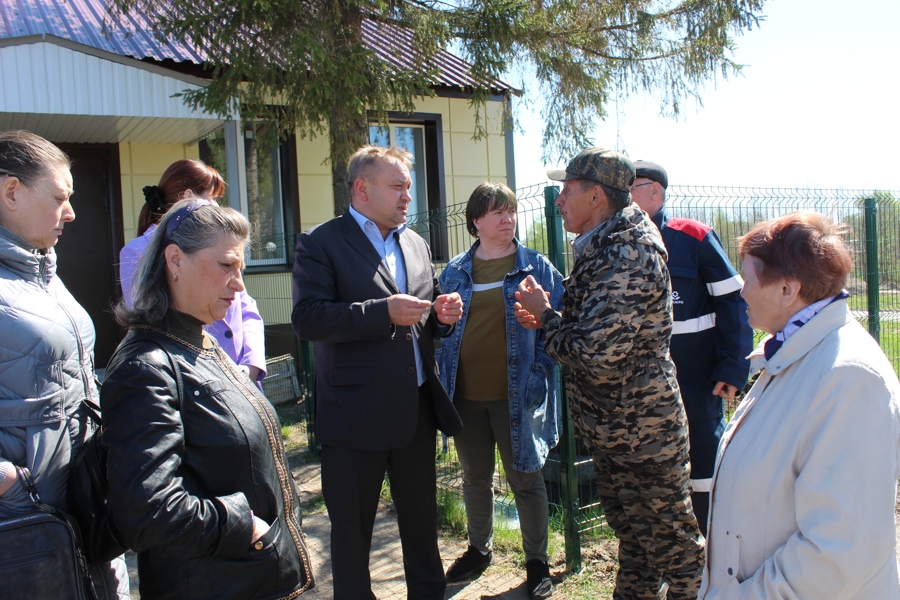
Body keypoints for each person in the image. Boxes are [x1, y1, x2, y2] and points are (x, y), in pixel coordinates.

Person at [514, 147, 704, 599]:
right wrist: (551, 315)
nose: (559, 201)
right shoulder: (606, 243)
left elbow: (597, 353)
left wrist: (547, 319)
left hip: (643, 434)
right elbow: (603, 328)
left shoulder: (628, 250)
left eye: (567, 190)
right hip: (618, 430)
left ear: (596, 195)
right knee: (637, 546)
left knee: (677, 554)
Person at [101, 199, 314, 599]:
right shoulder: (147, 367)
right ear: (175, 260)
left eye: (241, 270)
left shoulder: (201, 342)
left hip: (252, 579)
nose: (238, 284)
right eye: (226, 266)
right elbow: (146, 512)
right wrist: (243, 524)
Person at [291, 145, 464, 599]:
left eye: (409, 186)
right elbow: (308, 318)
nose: (408, 195)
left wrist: (441, 317)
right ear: (362, 188)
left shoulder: (416, 243)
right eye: (398, 186)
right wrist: (382, 311)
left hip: (415, 412)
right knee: (351, 537)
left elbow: (421, 317)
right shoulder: (321, 242)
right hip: (353, 417)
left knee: (422, 528)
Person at [699, 212, 900, 599]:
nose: (741, 292)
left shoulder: (849, 380)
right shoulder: (792, 355)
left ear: (788, 290)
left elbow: (837, 555)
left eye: (749, 278)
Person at [0, 130, 129, 598]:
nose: (71, 212)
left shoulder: (41, 272)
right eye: (59, 197)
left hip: (82, 510)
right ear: (11, 191)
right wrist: (11, 486)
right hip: (25, 529)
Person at [437, 183, 563, 598]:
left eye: (510, 211)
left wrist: (539, 374)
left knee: (526, 478)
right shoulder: (454, 272)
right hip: (465, 395)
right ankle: (479, 549)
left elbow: (559, 326)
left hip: (518, 396)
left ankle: (537, 563)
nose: (508, 219)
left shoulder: (537, 268)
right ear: (477, 221)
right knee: (475, 477)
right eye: (497, 212)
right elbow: (439, 333)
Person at [630, 160, 752, 536]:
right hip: (641, 387)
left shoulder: (693, 236)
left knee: (703, 469)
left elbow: (734, 302)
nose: (626, 195)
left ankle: (712, 550)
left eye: (634, 186)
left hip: (697, 383)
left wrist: (733, 368)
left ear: (656, 192)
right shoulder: (618, 242)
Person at [119, 159, 266, 389]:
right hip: (196, 385)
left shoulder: (223, 245)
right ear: (187, 197)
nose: (219, 208)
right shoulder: (137, 252)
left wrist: (251, 366)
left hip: (241, 380)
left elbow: (246, 308)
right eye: (214, 199)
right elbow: (148, 322)